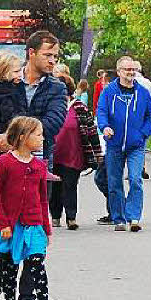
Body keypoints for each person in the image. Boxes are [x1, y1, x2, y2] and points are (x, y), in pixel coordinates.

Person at [0, 31, 67, 300]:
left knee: (32, 229)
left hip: (38, 167)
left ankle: (26, 295)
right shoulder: (8, 80)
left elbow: (53, 123)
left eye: (55, 56)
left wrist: (15, 136)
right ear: (31, 53)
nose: (52, 61)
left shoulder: (56, 89)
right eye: (47, 55)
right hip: (4, 165)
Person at [0, 116, 55, 300]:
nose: (43, 138)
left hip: (33, 225)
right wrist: (2, 224)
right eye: (38, 134)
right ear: (23, 137)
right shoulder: (4, 163)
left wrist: (46, 226)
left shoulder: (38, 166)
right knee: (10, 267)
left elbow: (43, 198)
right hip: (10, 226)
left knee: (37, 264)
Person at [96, 56, 151, 232]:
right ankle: (119, 218)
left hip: (135, 145)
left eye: (133, 69)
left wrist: (142, 134)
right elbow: (101, 111)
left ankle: (134, 217)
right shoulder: (108, 92)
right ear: (119, 71)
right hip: (114, 144)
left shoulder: (143, 93)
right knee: (114, 182)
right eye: (127, 69)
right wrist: (105, 126)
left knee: (136, 179)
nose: (130, 72)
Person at [51, 74, 102, 230]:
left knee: (70, 184)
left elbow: (91, 131)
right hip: (53, 154)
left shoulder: (79, 107)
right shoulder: (50, 106)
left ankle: (71, 217)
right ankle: (55, 216)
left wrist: (97, 152)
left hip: (74, 154)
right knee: (54, 186)